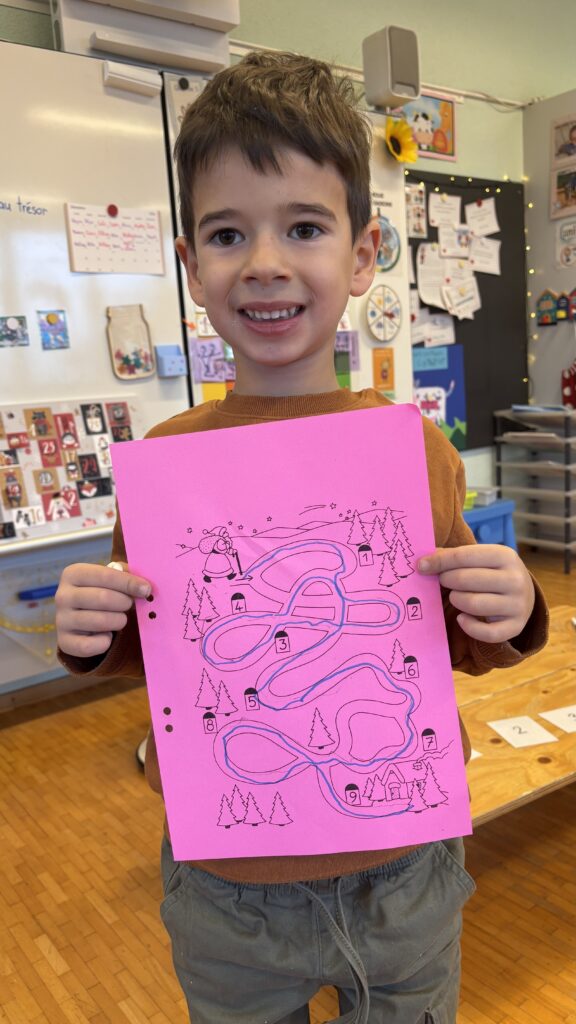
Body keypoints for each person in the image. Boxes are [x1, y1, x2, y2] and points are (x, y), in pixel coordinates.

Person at [55, 51, 548, 1024]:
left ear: (362, 256)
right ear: (191, 266)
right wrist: (90, 628)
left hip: (402, 873)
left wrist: (514, 605)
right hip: (230, 888)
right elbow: (155, 642)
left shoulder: (415, 448)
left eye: (304, 228)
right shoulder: (166, 461)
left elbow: (455, 633)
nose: (265, 263)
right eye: (228, 234)